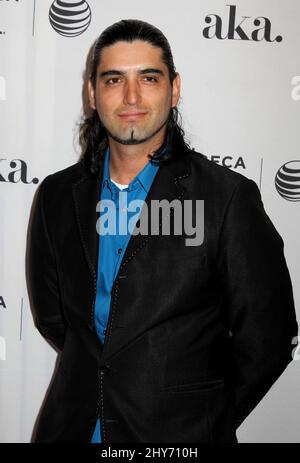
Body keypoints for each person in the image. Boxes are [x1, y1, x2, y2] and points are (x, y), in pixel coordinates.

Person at [28, 19, 298, 443]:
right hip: (71, 429)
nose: (131, 96)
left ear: (173, 89)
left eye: (149, 78)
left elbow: (269, 339)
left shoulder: (227, 198)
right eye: (114, 79)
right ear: (92, 94)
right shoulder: (57, 195)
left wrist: (200, 418)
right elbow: (53, 318)